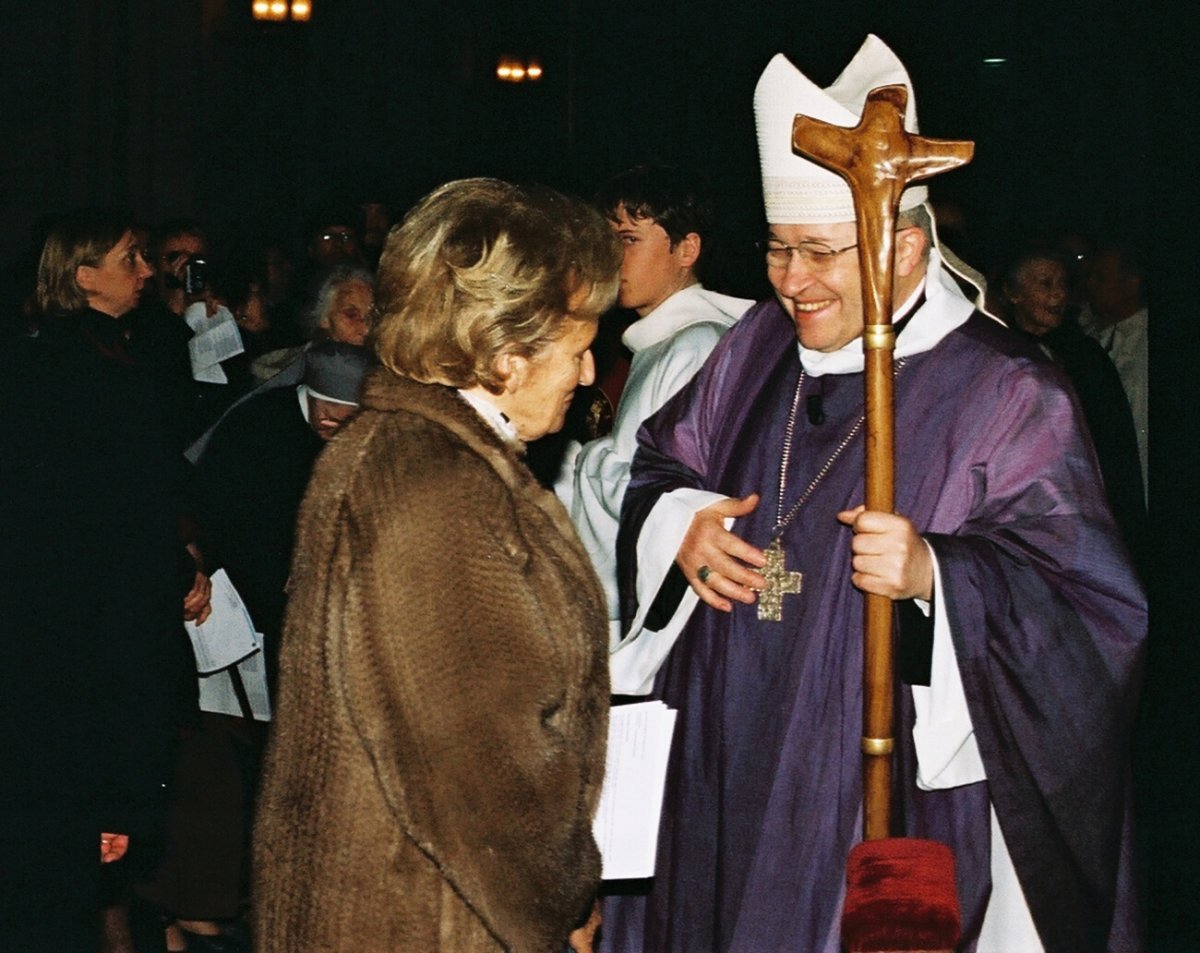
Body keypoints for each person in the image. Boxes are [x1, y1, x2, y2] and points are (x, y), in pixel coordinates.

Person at [603, 37, 1145, 953]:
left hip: (878, 785)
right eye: (777, 249)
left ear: (903, 248)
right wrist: (679, 526)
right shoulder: (756, 348)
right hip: (724, 747)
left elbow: (1094, 614)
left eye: (820, 252)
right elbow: (658, 461)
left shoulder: (1009, 390)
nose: (790, 281)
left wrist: (942, 573)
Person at [253, 178, 620, 952]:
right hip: (428, 917)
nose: (587, 377)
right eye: (579, 351)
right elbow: (482, 774)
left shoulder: (414, 451)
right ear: (506, 357)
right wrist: (559, 906)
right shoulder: (436, 489)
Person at [0, 208, 210, 952]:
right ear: (84, 274)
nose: (146, 270)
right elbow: (114, 515)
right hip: (86, 637)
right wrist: (170, 560)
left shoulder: (99, 354)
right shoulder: (81, 374)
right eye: (130, 258)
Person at [554, 162, 752, 654]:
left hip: (650, 611)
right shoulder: (657, 342)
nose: (610, 257)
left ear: (687, 249)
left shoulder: (697, 346)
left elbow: (667, 490)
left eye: (628, 239)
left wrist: (580, 460)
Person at [1000, 245, 1145, 565]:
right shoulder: (998, 355)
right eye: (1045, 284)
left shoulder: (1085, 356)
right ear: (1013, 293)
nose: (1058, 295)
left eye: (1063, 284)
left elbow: (1115, 443)